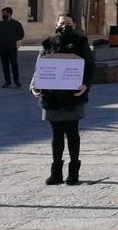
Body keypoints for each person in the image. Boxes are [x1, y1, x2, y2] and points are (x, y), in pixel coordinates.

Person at [29, 13, 93, 185]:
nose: (66, 25)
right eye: (63, 22)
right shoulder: (48, 43)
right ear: (56, 24)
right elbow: (39, 66)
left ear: (75, 24)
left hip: (73, 95)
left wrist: (86, 85)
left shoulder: (81, 43)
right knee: (56, 135)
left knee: (72, 133)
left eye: (69, 23)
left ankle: (73, 171)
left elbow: (90, 67)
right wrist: (34, 86)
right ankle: (56, 171)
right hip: (52, 96)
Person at [0, 6, 25, 88]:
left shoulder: (16, 24)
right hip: (2, 49)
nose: (2, 15)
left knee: (14, 64)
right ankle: (7, 81)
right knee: (5, 65)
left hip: (12, 48)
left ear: (9, 13)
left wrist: (13, 39)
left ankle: (16, 81)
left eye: (4, 13)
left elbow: (21, 34)